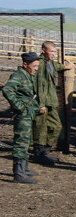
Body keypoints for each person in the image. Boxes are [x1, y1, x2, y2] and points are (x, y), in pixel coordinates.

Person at [1, 53, 41, 183]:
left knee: (26, 141)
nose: (36, 68)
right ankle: (18, 174)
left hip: (29, 114)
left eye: (37, 66)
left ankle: (24, 169)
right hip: (23, 115)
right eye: (34, 66)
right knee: (21, 142)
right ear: (25, 64)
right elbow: (7, 90)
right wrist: (19, 106)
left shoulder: (28, 75)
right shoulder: (18, 75)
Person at [32, 41, 70, 166]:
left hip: (51, 101)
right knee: (41, 128)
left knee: (57, 126)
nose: (54, 54)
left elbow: (56, 66)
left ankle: (45, 150)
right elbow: (39, 85)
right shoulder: (41, 64)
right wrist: (41, 104)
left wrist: (66, 66)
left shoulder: (50, 63)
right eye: (51, 51)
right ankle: (39, 153)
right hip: (43, 102)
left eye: (55, 51)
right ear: (43, 50)